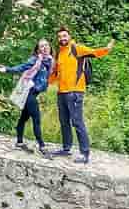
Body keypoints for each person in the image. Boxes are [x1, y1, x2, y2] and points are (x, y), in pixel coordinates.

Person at [48, 27, 112, 163]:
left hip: (75, 92)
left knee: (77, 122)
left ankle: (85, 153)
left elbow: (95, 52)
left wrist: (107, 49)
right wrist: (46, 80)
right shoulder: (59, 53)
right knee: (64, 122)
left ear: (69, 36)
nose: (62, 38)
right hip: (62, 92)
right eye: (60, 37)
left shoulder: (77, 48)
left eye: (64, 36)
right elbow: (55, 75)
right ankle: (66, 149)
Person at [0, 39, 53, 152]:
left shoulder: (50, 61)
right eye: (42, 46)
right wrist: (7, 69)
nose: (45, 47)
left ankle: (19, 142)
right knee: (36, 119)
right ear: (38, 50)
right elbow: (22, 67)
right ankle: (42, 146)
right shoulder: (35, 60)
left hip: (34, 93)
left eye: (46, 45)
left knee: (23, 118)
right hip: (28, 92)